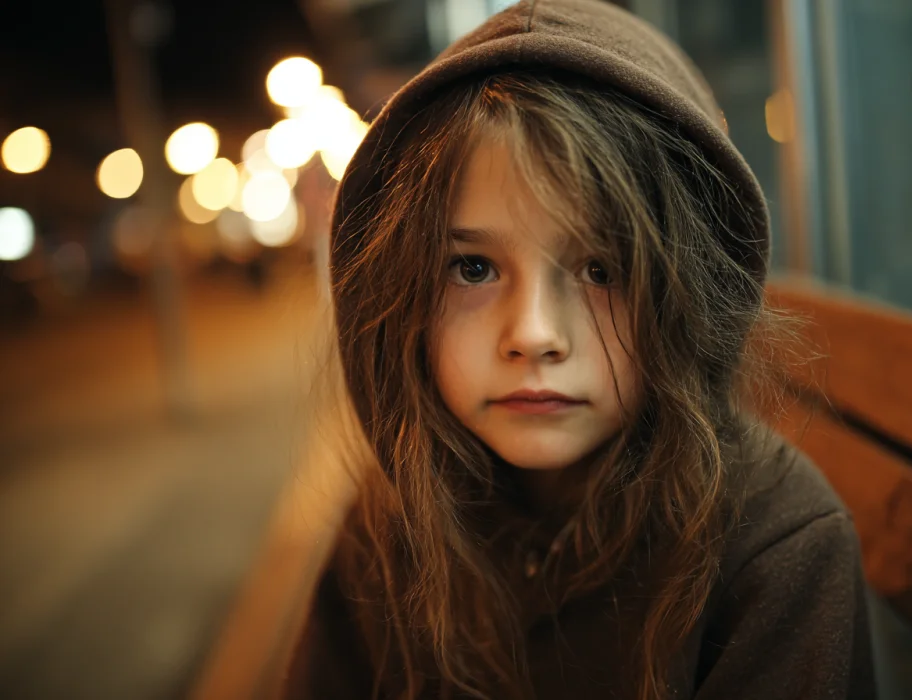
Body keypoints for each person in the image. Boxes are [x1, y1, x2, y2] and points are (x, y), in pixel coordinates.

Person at [282, 1, 876, 698]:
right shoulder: (393, 520)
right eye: (473, 268)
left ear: (688, 293)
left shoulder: (779, 546)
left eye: (602, 268)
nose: (533, 334)